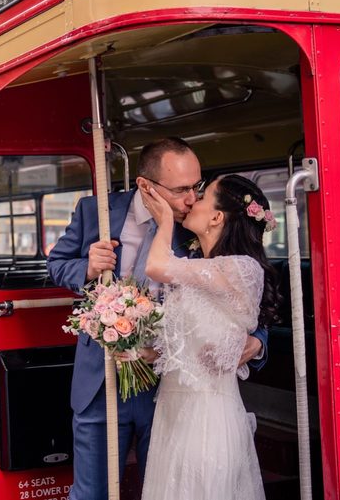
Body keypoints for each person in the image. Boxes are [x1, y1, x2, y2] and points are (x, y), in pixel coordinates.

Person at [46, 138, 268, 500]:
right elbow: (55, 265)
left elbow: (244, 297)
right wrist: (86, 266)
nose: (191, 199)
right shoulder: (94, 211)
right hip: (101, 379)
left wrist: (258, 341)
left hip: (168, 386)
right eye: (181, 189)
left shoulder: (196, 226)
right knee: (91, 493)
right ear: (145, 185)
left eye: (196, 188)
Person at [139, 174, 278, 499]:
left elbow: (156, 266)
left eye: (201, 197)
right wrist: (142, 350)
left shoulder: (242, 269)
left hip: (206, 419)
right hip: (172, 413)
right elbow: (186, 343)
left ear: (216, 217)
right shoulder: (200, 267)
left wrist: (163, 221)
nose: (192, 201)